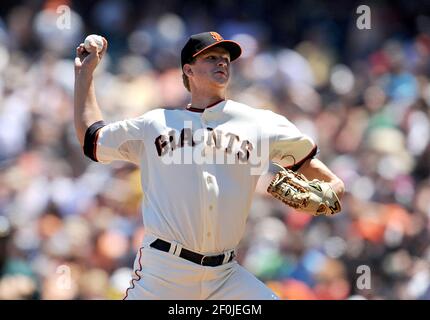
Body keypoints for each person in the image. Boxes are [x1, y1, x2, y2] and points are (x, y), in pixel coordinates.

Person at [74, 31, 345, 300]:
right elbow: (92, 138)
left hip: (225, 276)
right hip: (164, 272)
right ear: (188, 70)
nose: (222, 62)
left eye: (226, 58)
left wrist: (333, 189)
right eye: (212, 57)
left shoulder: (259, 123)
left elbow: (322, 174)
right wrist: (85, 74)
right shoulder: (155, 124)